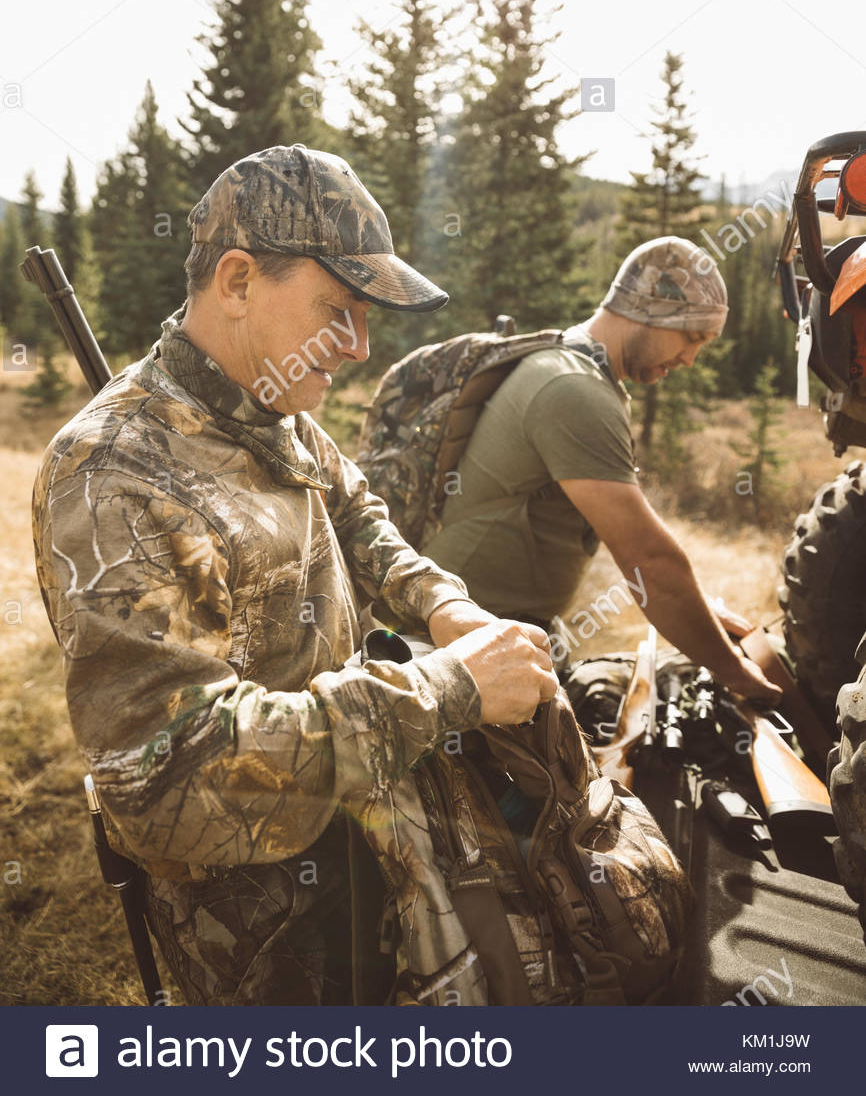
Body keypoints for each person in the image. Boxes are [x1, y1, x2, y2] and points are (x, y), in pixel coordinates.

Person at [31, 144, 557, 1005]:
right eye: (338, 309)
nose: (357, 346)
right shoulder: (112, 473)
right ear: (238, 281)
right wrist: (447, 691)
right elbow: (167, 777)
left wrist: (445, 606)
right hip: (257, 924)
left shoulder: (273, 409)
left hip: (361, 843)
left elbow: (359, 523)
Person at [421, 236, 780, 705]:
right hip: (455, 651)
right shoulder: (574, 389)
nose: (691, 359)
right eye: (692, 337)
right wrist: (739, 675)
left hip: (489, 638)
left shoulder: (580, 372)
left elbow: (616, 538)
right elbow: (650, 562)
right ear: (646, 311)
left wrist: (702, 616)